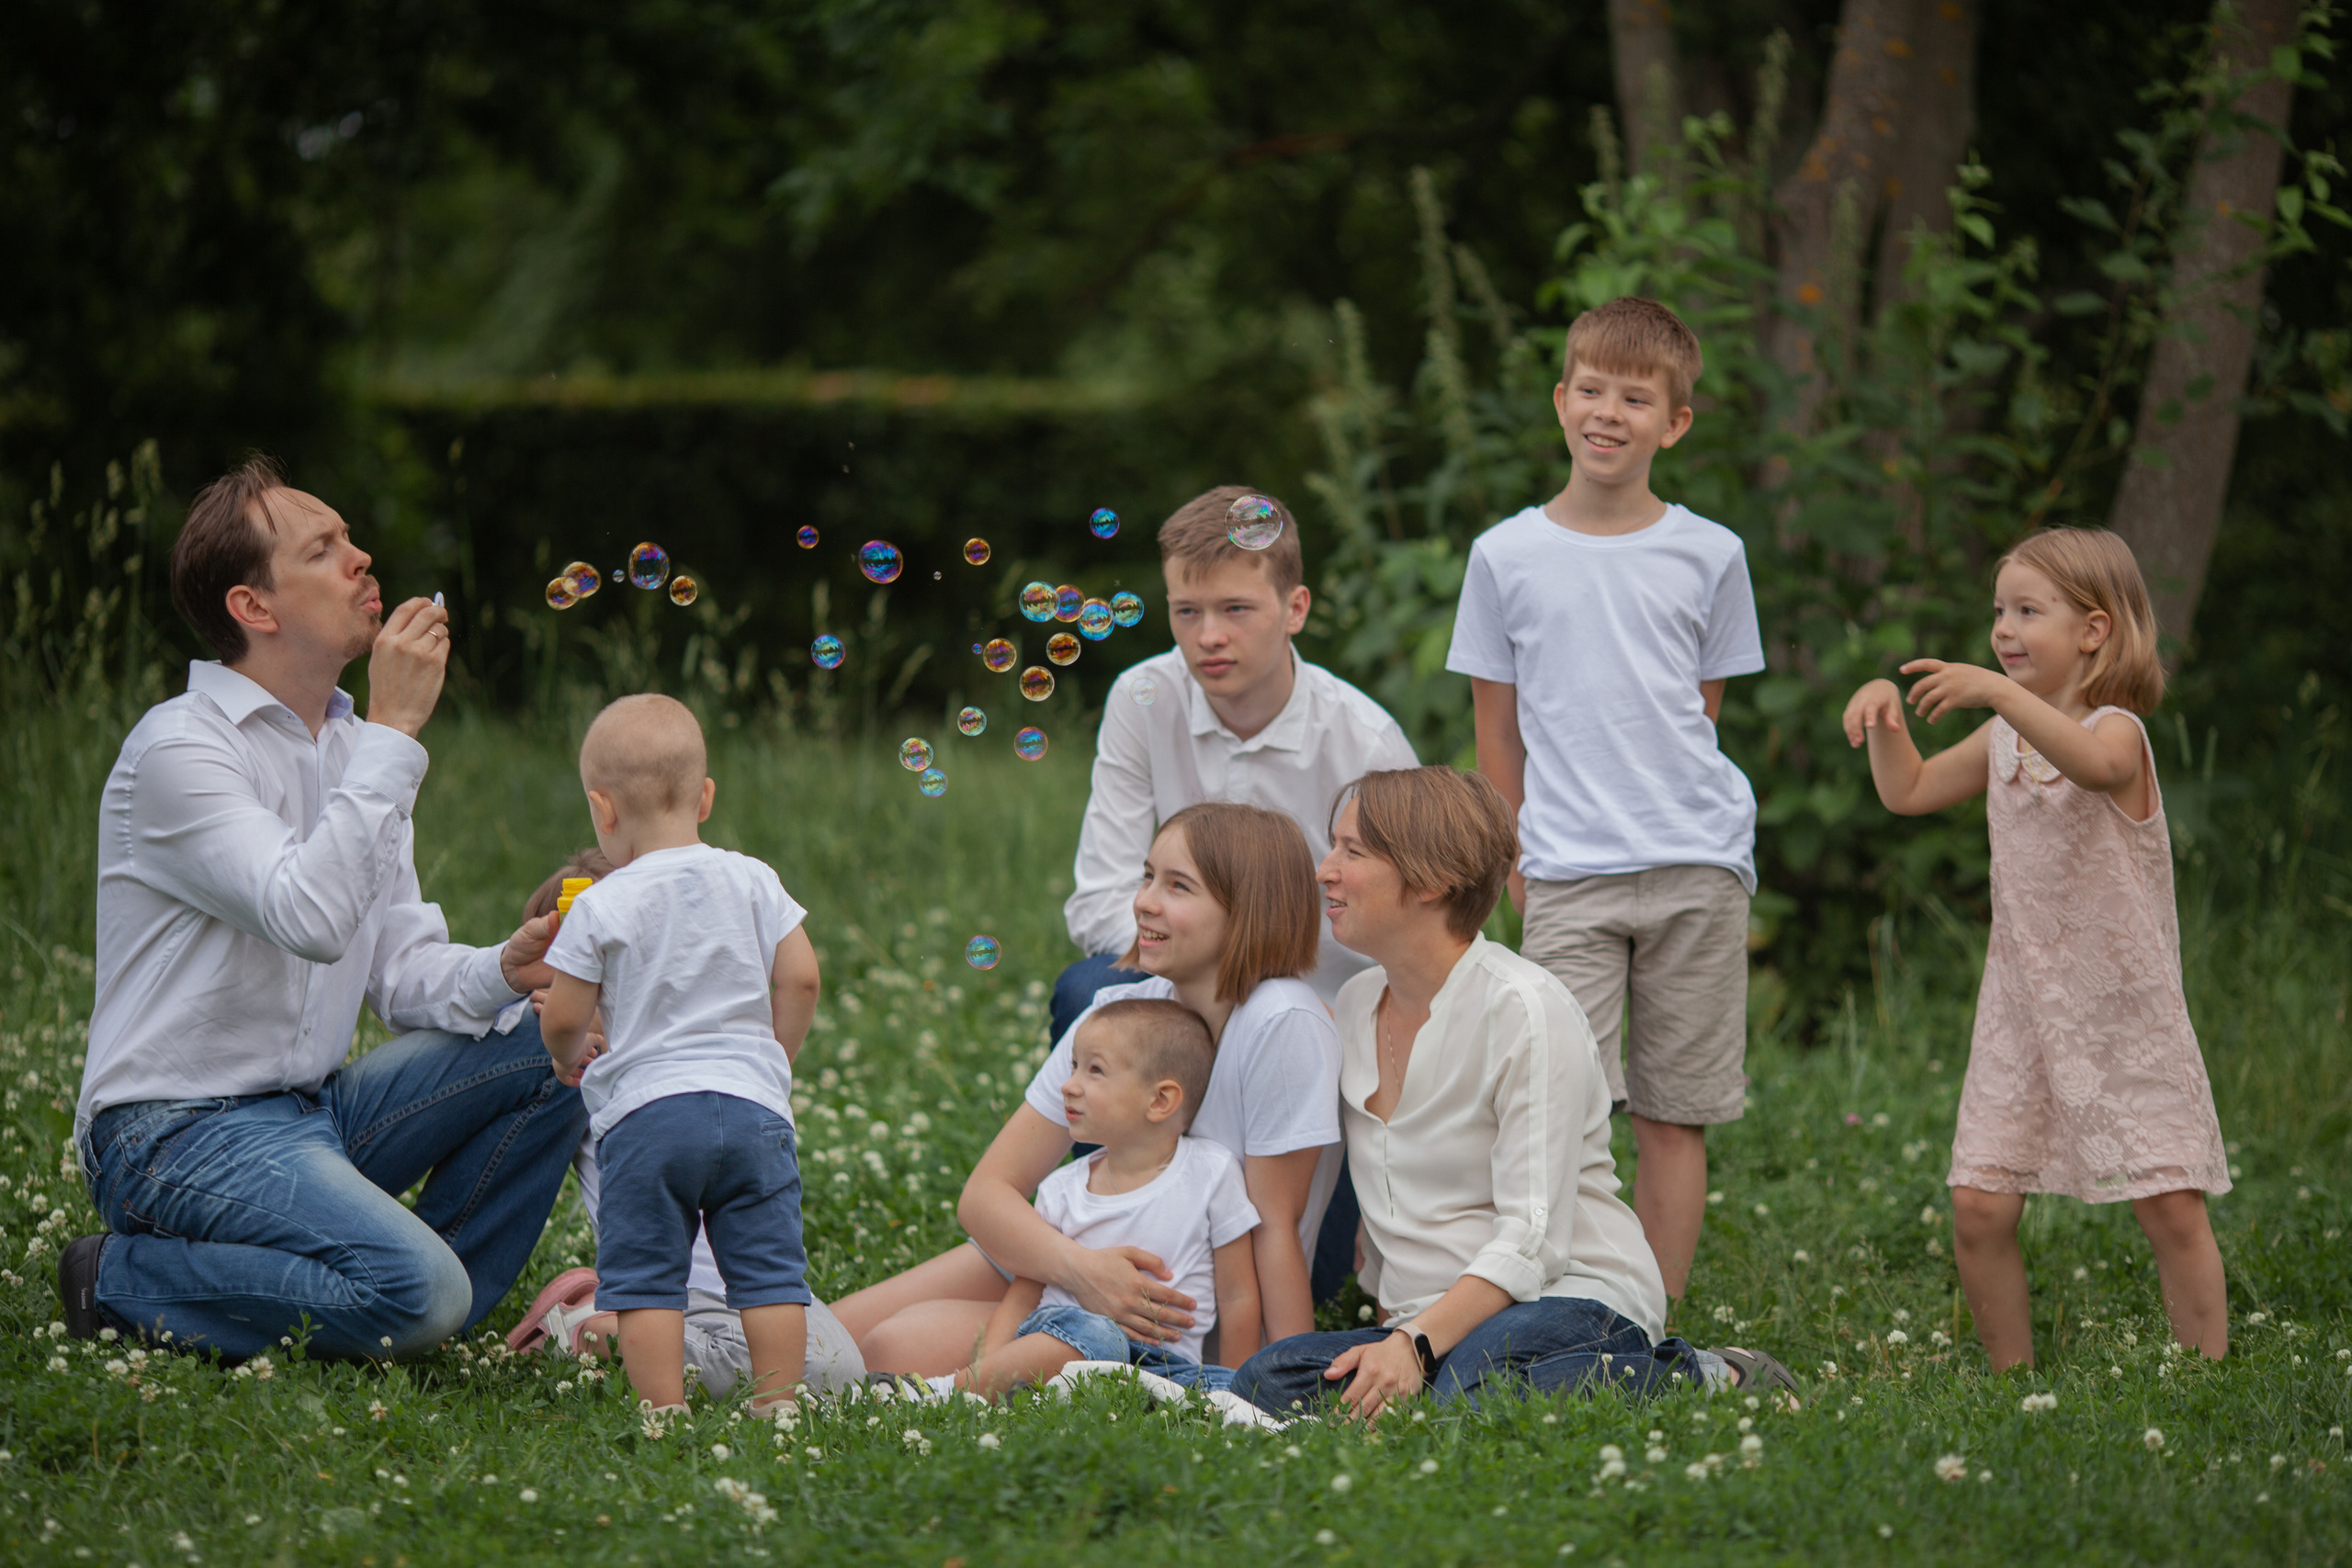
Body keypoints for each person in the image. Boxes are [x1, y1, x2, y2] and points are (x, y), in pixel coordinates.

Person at [62, 456, 584, 1360]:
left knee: (557, 1040)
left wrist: (507, 968)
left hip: (311, 1115)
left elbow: (397, 971)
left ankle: (415, 1305)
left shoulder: (351, 747)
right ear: (254, 609)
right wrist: (393, 736)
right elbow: (305, 913)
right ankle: (117, 1278)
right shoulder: (181, 751)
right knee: (416, 1295)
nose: (362, 557)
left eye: (350, 537)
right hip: (172, 1134)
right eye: (325, 548)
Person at [1234, 767, 1794, 1419]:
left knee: (1475, 1387)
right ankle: (1445, 1387)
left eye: (1352, 851)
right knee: (1267, 1378)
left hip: (1568, 1295)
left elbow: (1534, 1240)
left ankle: (1701, 1372)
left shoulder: (1526, 1009)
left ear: (1432, 879)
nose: (1325, 869)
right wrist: (1399, 1334)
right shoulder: (1356, 1005)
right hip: (1438, 1325)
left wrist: (1412, 1346)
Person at [1842, 528, 2231, 1370]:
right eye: (1999, 612)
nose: (2004, 629)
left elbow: (2091, 765)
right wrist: (1881, 710)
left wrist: (1995, 693)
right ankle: (2009, 1384)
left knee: (2169, 1203)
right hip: (2022, 1004)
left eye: (2028, 610)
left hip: (2123, 1009)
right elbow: (1907, 789)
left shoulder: (2118, 732)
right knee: (1979, 1204)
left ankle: (2207, 1381)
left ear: (2093, 631)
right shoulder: (2003, 739)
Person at [1445, 296, 1765, 1301]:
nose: (1608, 412)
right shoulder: (1504, 555)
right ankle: (1563, 1301)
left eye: (1636, 397)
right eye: (1591, 390)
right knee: (1558, 1107)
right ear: (1560, 402)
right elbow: (1497, 732)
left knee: (1673, 1115)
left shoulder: (1711, 554)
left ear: (1673, 422)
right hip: (1564, 871)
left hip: (1695, 863)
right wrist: (1511, 858)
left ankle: (1648, 1322)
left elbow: (1697, 713)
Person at [837, 802, 1340, 1375]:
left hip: (1177, 1321)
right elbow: (986, 1194)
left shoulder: (1282, 1021)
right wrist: (1081, 1270)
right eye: (1148, 876)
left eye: (1178, 886)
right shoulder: (1123, 1015)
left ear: (1249, 911)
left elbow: (1277, 1229)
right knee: (824, 1334)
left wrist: (1274, 1384)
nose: (1145, 901)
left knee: (893, 1344)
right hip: (1074, 1267)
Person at [537, 694, 820, 1415]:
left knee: (645, 1277)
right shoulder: (754, 876)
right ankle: (779, 1405)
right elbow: (801, 976)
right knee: (768, 1271)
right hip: (754, 1110)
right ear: (705, 795)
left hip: (648, 1116)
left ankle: (663, 1411)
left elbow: (567, 1010)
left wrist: (571, 1053)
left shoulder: (601, 901)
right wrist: (772, 1056)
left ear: (602, 810)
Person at [1057, 485, 1419, 1040]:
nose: (1208, 637)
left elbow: (1407, 925)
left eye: (1236, 609)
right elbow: (1100, 898)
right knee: (1085, 991)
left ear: (1295, 608)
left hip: (1322, 1010)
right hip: (1181, 986)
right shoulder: (1144, 698)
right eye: (1187, 612)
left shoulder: (1366, 742)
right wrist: (1202, 971)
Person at [501, 851, 865, 1396]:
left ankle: (627, 1350)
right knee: (824, 1376)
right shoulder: (583, 1070)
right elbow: (801, 980)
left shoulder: (699, 1049)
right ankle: (583, 1327)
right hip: (674, 1294)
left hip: (746, 1296)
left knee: (836, 1367)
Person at [944, 998, 1260, 1398]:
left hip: (1165, 1372)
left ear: (1160, 1100)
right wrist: (983, 1373)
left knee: (1217, 1384)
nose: (1069, 1084)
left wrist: (1236, 1392)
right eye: (1074, 1066)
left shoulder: (1212, 1173)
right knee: (1094, 1333)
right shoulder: (1062, 1189)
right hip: (1062, 1348)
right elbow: (1023, 1297)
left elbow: (1238, 1296)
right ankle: (947, 1392)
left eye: (1095, 1070)